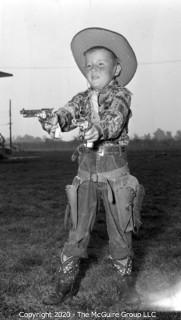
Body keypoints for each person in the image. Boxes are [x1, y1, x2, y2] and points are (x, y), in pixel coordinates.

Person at [39, 27, 144, 305]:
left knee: (120, 233)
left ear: (116, 68)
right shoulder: (82, 98)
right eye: (89, 66)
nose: (93, 70)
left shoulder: (121, 95)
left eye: (101, 64)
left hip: (115, 177)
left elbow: (115, 120)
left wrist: (98, 129)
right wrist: (54, 120)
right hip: (84, 175)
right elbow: (67, 112)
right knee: (76, 231)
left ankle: (126, 285)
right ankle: (66, 284)